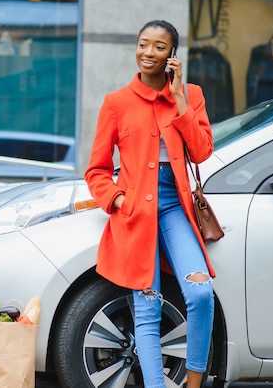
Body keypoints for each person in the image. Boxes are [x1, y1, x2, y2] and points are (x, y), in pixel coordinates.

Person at [84, 20, 216, 388]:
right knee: (147, 308)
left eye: (159, 47)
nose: (148, 53)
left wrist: (178, 99)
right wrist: (118, 199)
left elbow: (202, 151)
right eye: (144, 44)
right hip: (135, 214)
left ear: (172, 55)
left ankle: (193, 383)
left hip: (175, 207)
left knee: (201, 293)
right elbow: (95, 170)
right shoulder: (116, 103)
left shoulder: (191, 94)